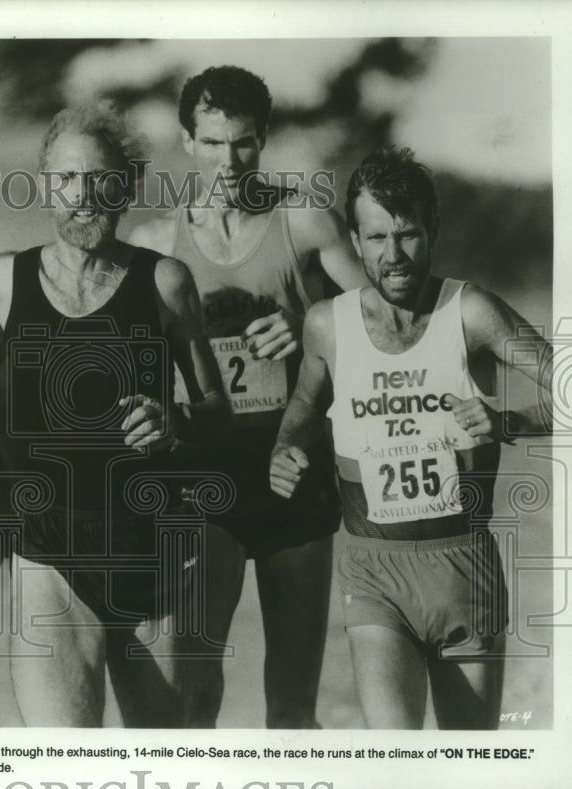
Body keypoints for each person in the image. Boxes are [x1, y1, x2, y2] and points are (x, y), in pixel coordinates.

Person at [0, 102, 234, 727]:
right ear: (45, 186)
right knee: (65, 766)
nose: (83, 195)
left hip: (153, 552)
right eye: (67, 178)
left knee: (167, 764)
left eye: (100, 178)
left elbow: (216, 412)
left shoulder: (164, 282)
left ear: (126, 186)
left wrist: (174, 422)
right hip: (51, 554)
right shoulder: (10, 277)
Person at [269, 146, 552, 729]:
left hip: (463, 566)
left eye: (407, 235)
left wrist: (511, 422)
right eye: (376, 239)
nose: (393, 256)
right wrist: (286, 445)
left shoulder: (470, 311)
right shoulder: (327, 322)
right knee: (394, 762)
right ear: (354, 240)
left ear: (434, 230)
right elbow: (304, 402)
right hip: (374, 572)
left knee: (466, 769)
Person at [129, 65, 367, 728]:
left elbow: (382, 331)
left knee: (292, 709)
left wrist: (308, 324)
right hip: (202, 480)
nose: (228, 160)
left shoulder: (306, 225)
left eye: (243, 143)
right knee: (192, 695)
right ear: (186, 141)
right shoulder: (154, 246)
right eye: (212, 143)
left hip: (295, 470)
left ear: (263, 141)